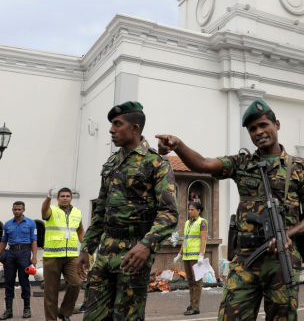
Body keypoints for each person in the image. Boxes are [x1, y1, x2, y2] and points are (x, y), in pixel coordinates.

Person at [156, 98, 304, 321]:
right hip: (246, 259)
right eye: (252, 129)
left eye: (264, 125)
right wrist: (178, 145)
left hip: (281, 259)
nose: (259, 132)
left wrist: (287, 235)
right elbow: (203, 164)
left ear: (277, 125)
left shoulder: (301, 168)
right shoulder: (242, 163)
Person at [77, 101, 178, 320]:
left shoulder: (156, 163)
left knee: (127, 317)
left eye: (117, 124)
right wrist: (86, 248)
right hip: (106, 250)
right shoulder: (111, 163)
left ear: (134, 128)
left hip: (134, 253)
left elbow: (169, 213)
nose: (111, 130)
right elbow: (101, 211)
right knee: (93, 316)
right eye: (112, 125)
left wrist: (146, 246)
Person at [41, 187, 83, 321]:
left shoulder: (77, 212)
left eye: (67, 196)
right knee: (51, 292)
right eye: (62, 196)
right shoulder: (52, 209)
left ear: (71, 198)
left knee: (76, 284)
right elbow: (43, 213)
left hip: (71, 255)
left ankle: (64, 312)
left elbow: (80, 231)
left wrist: (87, 249)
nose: (65, 198)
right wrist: (48, 198)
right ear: (58, 198)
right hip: (52, 256)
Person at [0, 201, 38, 320]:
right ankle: (8, 311)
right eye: (15, 209)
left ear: (23, 210)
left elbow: (34, 241)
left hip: (24, 253)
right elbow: (3, 242)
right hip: (11, 253)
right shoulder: (7, 224)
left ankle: (27, 309)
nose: (17, 211)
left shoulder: (31, 223)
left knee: (24, 281)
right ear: (12, 210)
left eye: (19, 209)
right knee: (9, 282)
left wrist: (34, 256)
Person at [173, 201, 207, 316]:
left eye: (192, 209)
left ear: (198, 211)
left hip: (196, 257)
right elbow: (185, 239)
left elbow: (203, 240)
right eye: (189, 209)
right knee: (191, 282)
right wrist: (179, 254)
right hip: (187, 256)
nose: (190, 211)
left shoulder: (202, 222)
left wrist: (201, 255)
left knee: (197, 282)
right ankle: (192, 304)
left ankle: (196, 307)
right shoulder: (187, 222)